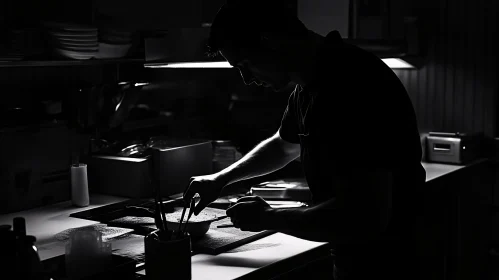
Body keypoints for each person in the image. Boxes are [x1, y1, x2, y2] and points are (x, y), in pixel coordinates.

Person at [183, 0, 426, 279]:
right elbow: (285, 145)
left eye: (245, 64)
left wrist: (268, 217)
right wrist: (220, 179)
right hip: (353, 257)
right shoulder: (308, 86)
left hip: (387, 264)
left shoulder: (351, 85)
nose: (246, 79)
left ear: (270, 40)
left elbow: (365, 216)